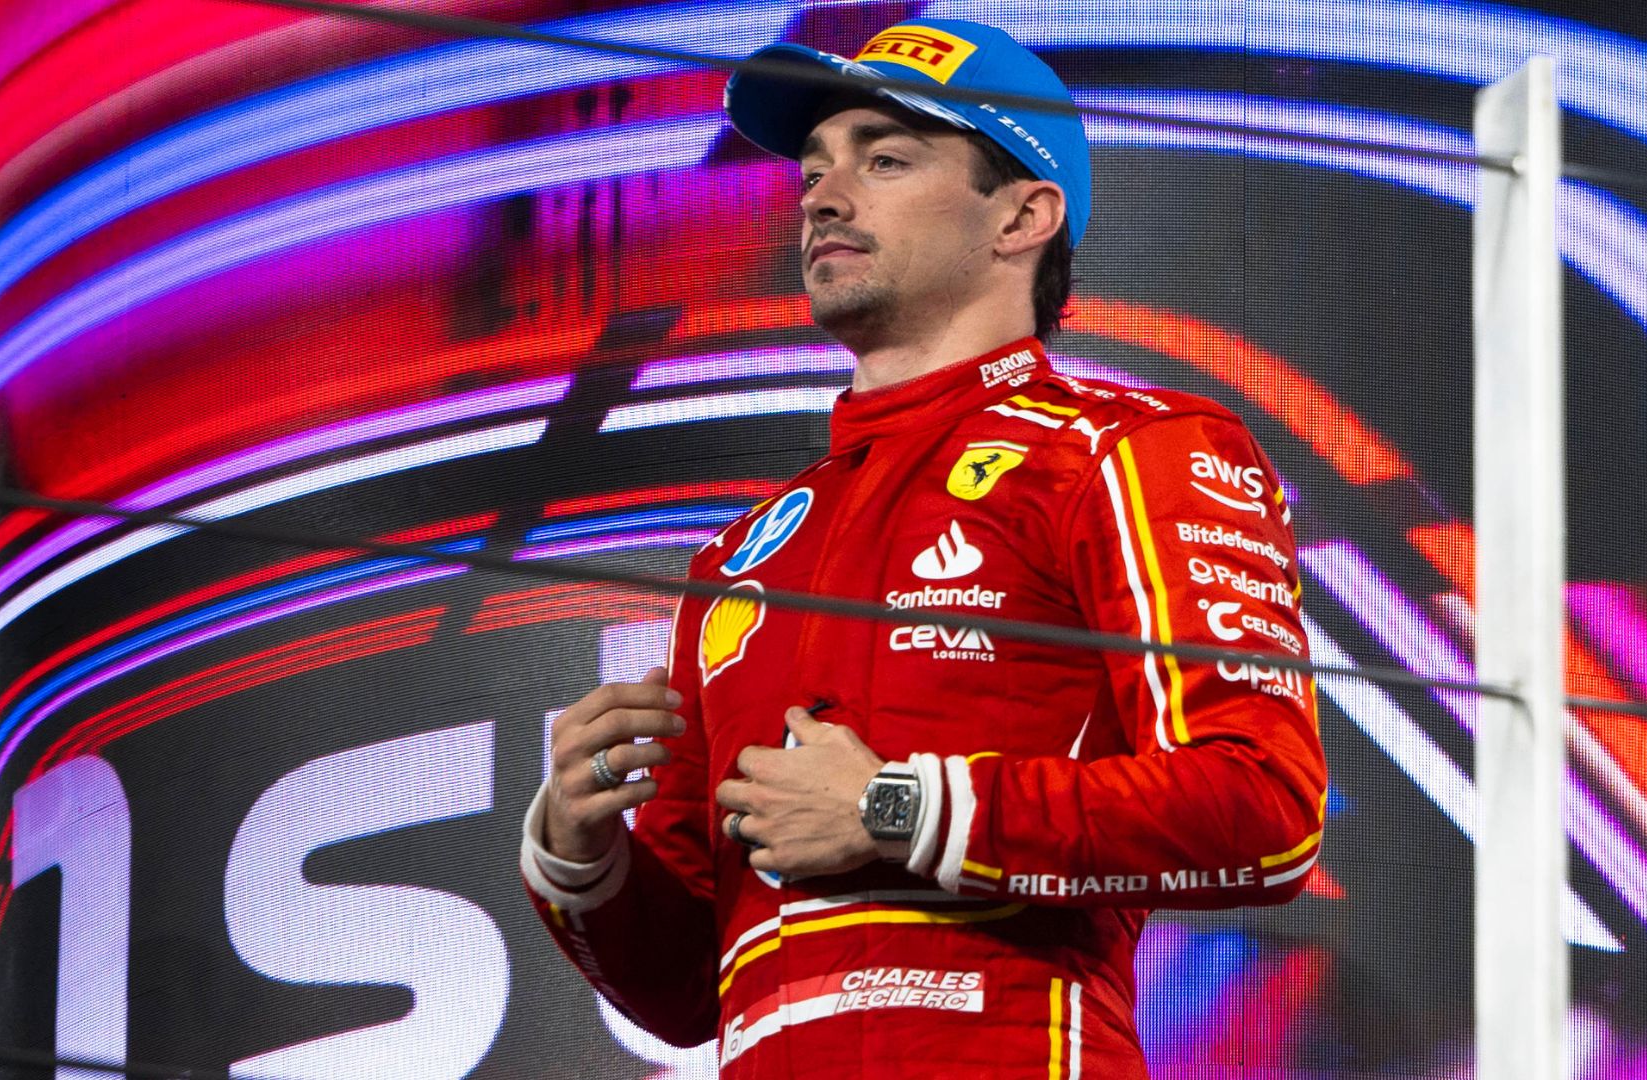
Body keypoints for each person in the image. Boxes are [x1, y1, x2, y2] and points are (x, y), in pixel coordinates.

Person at [520, 18, 1327, 1077]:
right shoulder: (737, 562)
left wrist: (896, 809)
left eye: (886, 159)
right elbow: (682, 995)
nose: (823, 196)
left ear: (1022, 216)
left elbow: (1264, 811)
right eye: (814, 169)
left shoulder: (1126, 451)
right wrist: (578, 854)